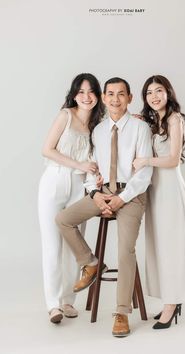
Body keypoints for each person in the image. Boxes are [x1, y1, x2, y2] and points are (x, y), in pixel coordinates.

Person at [55, 77, 153, 337]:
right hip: (104, 191)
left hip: (131, 194)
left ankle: (121, 312)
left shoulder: (140, 129)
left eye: (121, 94)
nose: (115, 99)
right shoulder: (98, 130)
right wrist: (96, 195)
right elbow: (93, 168)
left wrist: (122, 198)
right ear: (105, 97)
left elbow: (144, 173)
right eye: (110, 94)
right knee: (64, 219)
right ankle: (91, 262)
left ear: (130, 98)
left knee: (125, 250)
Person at [38, 73, 104, 324]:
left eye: (91, 92)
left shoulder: (97, 125)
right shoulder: (65, 115)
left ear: (97, 94)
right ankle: (53, 304)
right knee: (52, 245)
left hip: (80, 186)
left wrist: (95, 178)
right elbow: (47, 149)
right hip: (54, 181)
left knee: (73, 244)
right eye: (81, 92)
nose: (86, 97)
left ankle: (68, 301)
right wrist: (79, 164)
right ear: (74, 94)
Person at [133, 75, 185, 330]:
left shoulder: (174, 119)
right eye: (149, 92)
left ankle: (172, 303)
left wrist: (145, 161)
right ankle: (169, 298)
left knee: (172, 247)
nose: (154, 96)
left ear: (168, 93)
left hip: (170, 189)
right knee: (158, 245)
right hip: (154, 190)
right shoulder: (153, 121)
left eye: (159, 90)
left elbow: (173, 160)